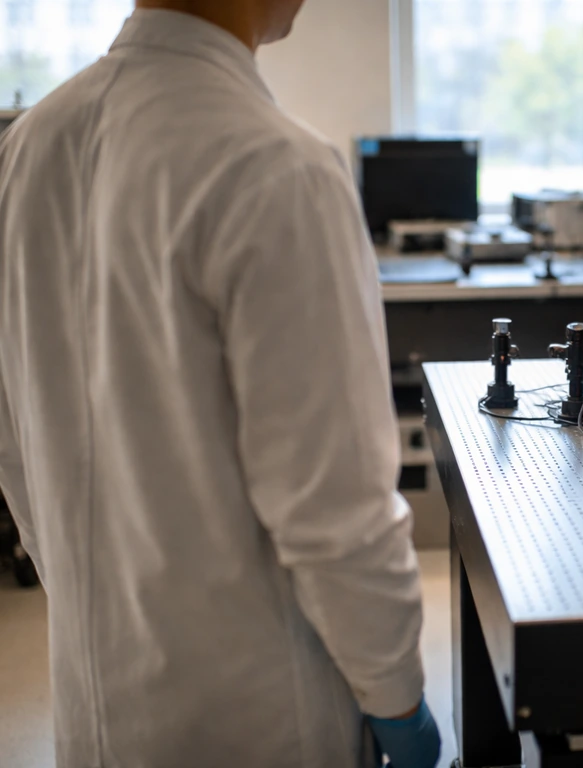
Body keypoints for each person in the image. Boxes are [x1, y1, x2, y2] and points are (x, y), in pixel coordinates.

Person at [0, 1, 442, 767]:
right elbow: (338, 515)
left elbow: (15, 439)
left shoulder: (27, 147)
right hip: (262, 719)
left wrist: (92, 592)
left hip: (93, 711)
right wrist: (396, 696)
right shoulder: (280, 166)